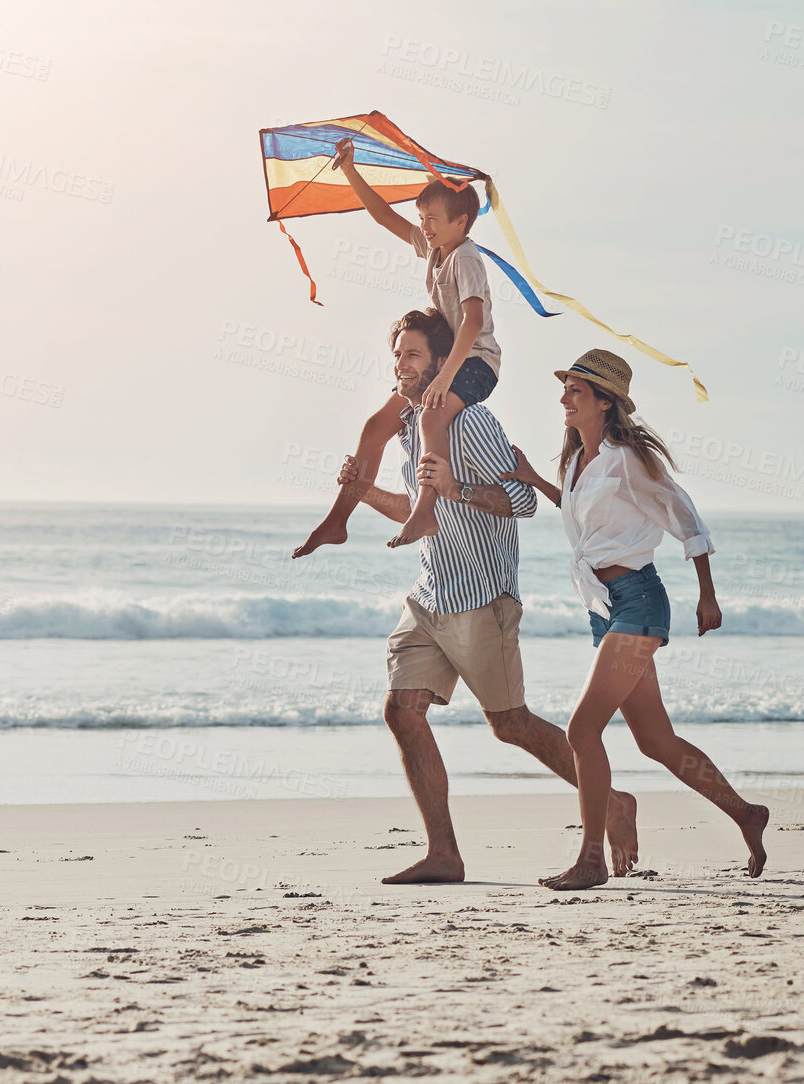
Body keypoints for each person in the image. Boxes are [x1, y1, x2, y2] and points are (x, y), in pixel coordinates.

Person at [329, 311, 639, 883]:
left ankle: (614, 803)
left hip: (482, 596)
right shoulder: (407, 427)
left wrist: (459, 488)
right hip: (430, 592)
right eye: (397, 354)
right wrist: (362, 490)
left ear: (444, 364)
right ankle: (444, 853)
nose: (402, 364)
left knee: (510, 724)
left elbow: (521, 502)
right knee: (402, 711)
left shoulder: (470, 422)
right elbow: (419, 508)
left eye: (414, 355)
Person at [502, 348, 769, 890]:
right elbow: (584, 523)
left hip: (638, 601)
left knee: (582, 729)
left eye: (576, 391)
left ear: (605, 402)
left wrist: (707, 595)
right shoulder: (578, 461)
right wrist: (533, 477)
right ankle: (746, 813)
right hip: (606, 607)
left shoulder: (629, 459)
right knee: (656, 741)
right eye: (567, 389)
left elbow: (684, 515)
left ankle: (591, 860)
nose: (564, 398)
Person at [292, 138, 502, 555]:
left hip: (476, 363)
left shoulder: (466, 257)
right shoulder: (436, 248)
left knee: (429, 418)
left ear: (461, 222)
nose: (423, 225)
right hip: (445, 361)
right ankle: (337, 520)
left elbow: (474, 322)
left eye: (433, 218)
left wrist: (443, 377)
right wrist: (351, 170)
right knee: (375, 428)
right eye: (421, 217)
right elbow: (384, 216)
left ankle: (425, 509)